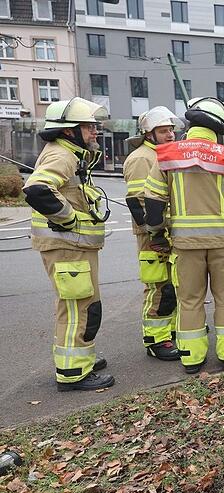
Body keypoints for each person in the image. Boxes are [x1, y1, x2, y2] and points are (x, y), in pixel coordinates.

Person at [143, 97, 224, 373]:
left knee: (189, 300)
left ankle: (192, 357)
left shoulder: (166, 156)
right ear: (218, 126)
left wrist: (157, 235)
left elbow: (153, 206)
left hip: (184, 245)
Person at [22, 97, 115, 391]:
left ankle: (81, 359)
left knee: (85, 306)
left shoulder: (70, 154)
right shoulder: (62, 155)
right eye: (88, 126)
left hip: (73, 247)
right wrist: (69, 219)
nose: (94, 131)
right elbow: (37, 189)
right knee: (78, 309)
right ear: (67, 131)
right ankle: (73, 373)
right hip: (67, 246)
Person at [123, 106, 183, 361]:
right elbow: (139, 203)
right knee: (158, 288)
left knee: (172, 287)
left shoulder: (162, 155)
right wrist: (156, 236)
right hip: (152, 236)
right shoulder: (141, 159)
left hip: (166, 233)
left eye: (171, 130)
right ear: (148, 134)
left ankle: (169, 332)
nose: (170, 134)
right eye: (163, 130)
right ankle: (156, 340)